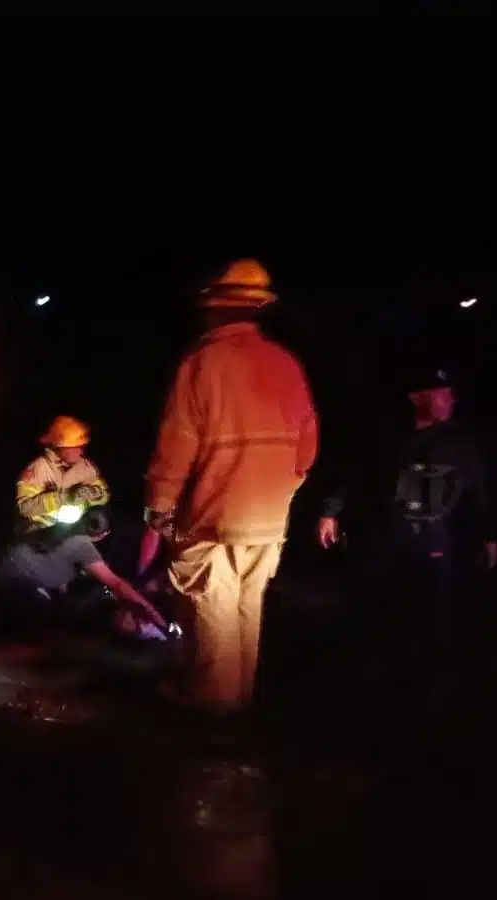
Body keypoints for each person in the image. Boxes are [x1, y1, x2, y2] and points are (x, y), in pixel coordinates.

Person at [144, 259, 319, 716]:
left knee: (211, 609)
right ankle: (241, 699)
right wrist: (280, 489)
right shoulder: (287, 364)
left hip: (211, 516)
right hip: (268, 518)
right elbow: (307, 449)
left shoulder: (201, 364)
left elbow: (176, 448)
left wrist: (159, 508)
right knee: (247, 608)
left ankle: (215, 714)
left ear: (217, 309)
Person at [316, 365, 497, 699]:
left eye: (449, 395)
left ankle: (430, 687)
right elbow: (352, 475)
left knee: (434, 614)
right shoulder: (387, 437)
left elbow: (478, 491)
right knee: (375, 604)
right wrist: (330, 512)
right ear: (417, 398)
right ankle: (368, 680)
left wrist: (488, 536)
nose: (447, 401)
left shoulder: (459, 444)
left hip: (434, 535)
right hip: (387, 533)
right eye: (439, 395)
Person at [0, 507, 169, 636]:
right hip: (17, 585)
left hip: (2, 567)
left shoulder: (58, 526)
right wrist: (158, 620)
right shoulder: (83, 547)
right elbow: (117, 585)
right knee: (49, 630)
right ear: (103, 535)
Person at [16, 415, 110, 533]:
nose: (80, 451)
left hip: (72, 528)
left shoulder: (85, 466)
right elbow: (25, 507)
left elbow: (105, 494)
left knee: (101, 518)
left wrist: (94, 492)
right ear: (61, 447)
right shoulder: (38, 469)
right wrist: (63, 497)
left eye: (82, 447)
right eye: (76, 447)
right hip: (41, 530)